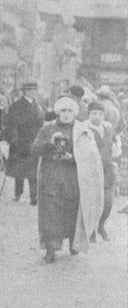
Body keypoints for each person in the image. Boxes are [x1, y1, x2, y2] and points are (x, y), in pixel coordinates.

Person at [32, 97, 104, 263]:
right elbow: (34, 149)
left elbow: (91, 156)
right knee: (50, 215)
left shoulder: (82, 130)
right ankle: (51, 250)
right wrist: (50, 144)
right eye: (62, 111)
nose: (66, 114)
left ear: (75, 112)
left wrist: (73, 157)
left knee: (72, 212)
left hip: (74, 179)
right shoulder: (47, 128)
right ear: (57, 112)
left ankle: (74, 242)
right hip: (51, 179)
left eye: (69, 111)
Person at [4, 79, 44, 205]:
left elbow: (42, 120)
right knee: (19, 171)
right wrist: (14, 142)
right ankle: (18, 193)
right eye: (31, 90)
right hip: (20, 142)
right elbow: (12, 125)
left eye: (35, 90)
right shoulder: (16, 106)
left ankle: (34, 196)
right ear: (26, 91)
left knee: (34, 170)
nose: (34, 92)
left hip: (35, 142)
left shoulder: (38, 105)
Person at [85, 101, 120, 242]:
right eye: (94, 113)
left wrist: (115, 150)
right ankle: (91, 230)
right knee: (92, 200)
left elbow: (112, 144)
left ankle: (101, 226)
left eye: (100, 114)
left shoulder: (107, 128)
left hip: (107, 168)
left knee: (108, 201)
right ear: (89, 114)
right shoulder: (84, 128)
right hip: (92, 169)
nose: (97, 117)